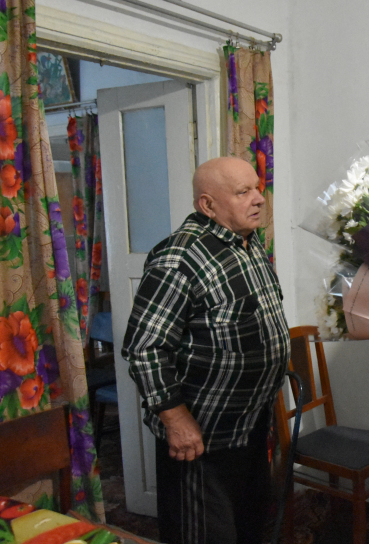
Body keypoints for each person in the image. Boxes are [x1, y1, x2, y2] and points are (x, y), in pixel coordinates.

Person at [122, 156, 290, 544]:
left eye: (257, 187)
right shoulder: (179, 258)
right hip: (201, 440)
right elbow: (145, 348)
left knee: (248, 527)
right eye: (243, 192)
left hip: (248, 427)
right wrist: (175, 419)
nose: (259, 198)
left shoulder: (248, 244)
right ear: (208, 205)